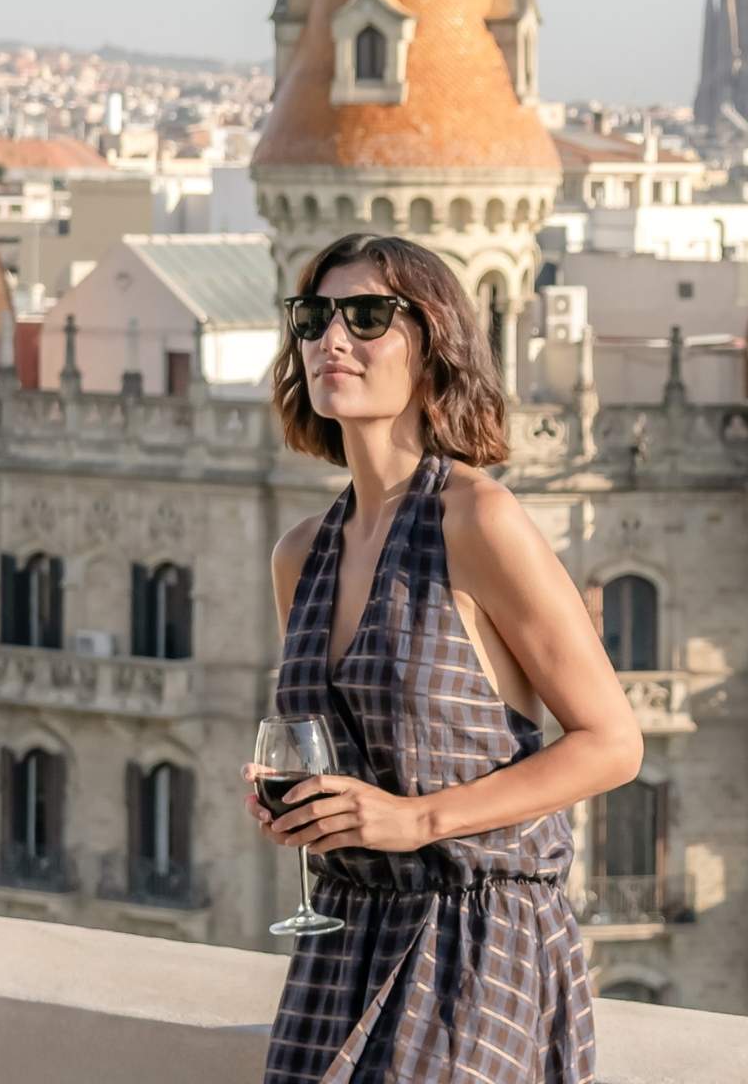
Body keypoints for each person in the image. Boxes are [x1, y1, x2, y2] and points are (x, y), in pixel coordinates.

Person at [245, 232, 642, 1082]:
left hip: (475, 939)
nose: (331, 340)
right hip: (345, 939)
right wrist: (306, 812)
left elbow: (612, 743)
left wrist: (414, 821)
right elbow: (338, 752)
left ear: (435, 347)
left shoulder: (478, 521)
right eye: (313, 318)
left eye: (367, 316)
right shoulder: (301, 553)